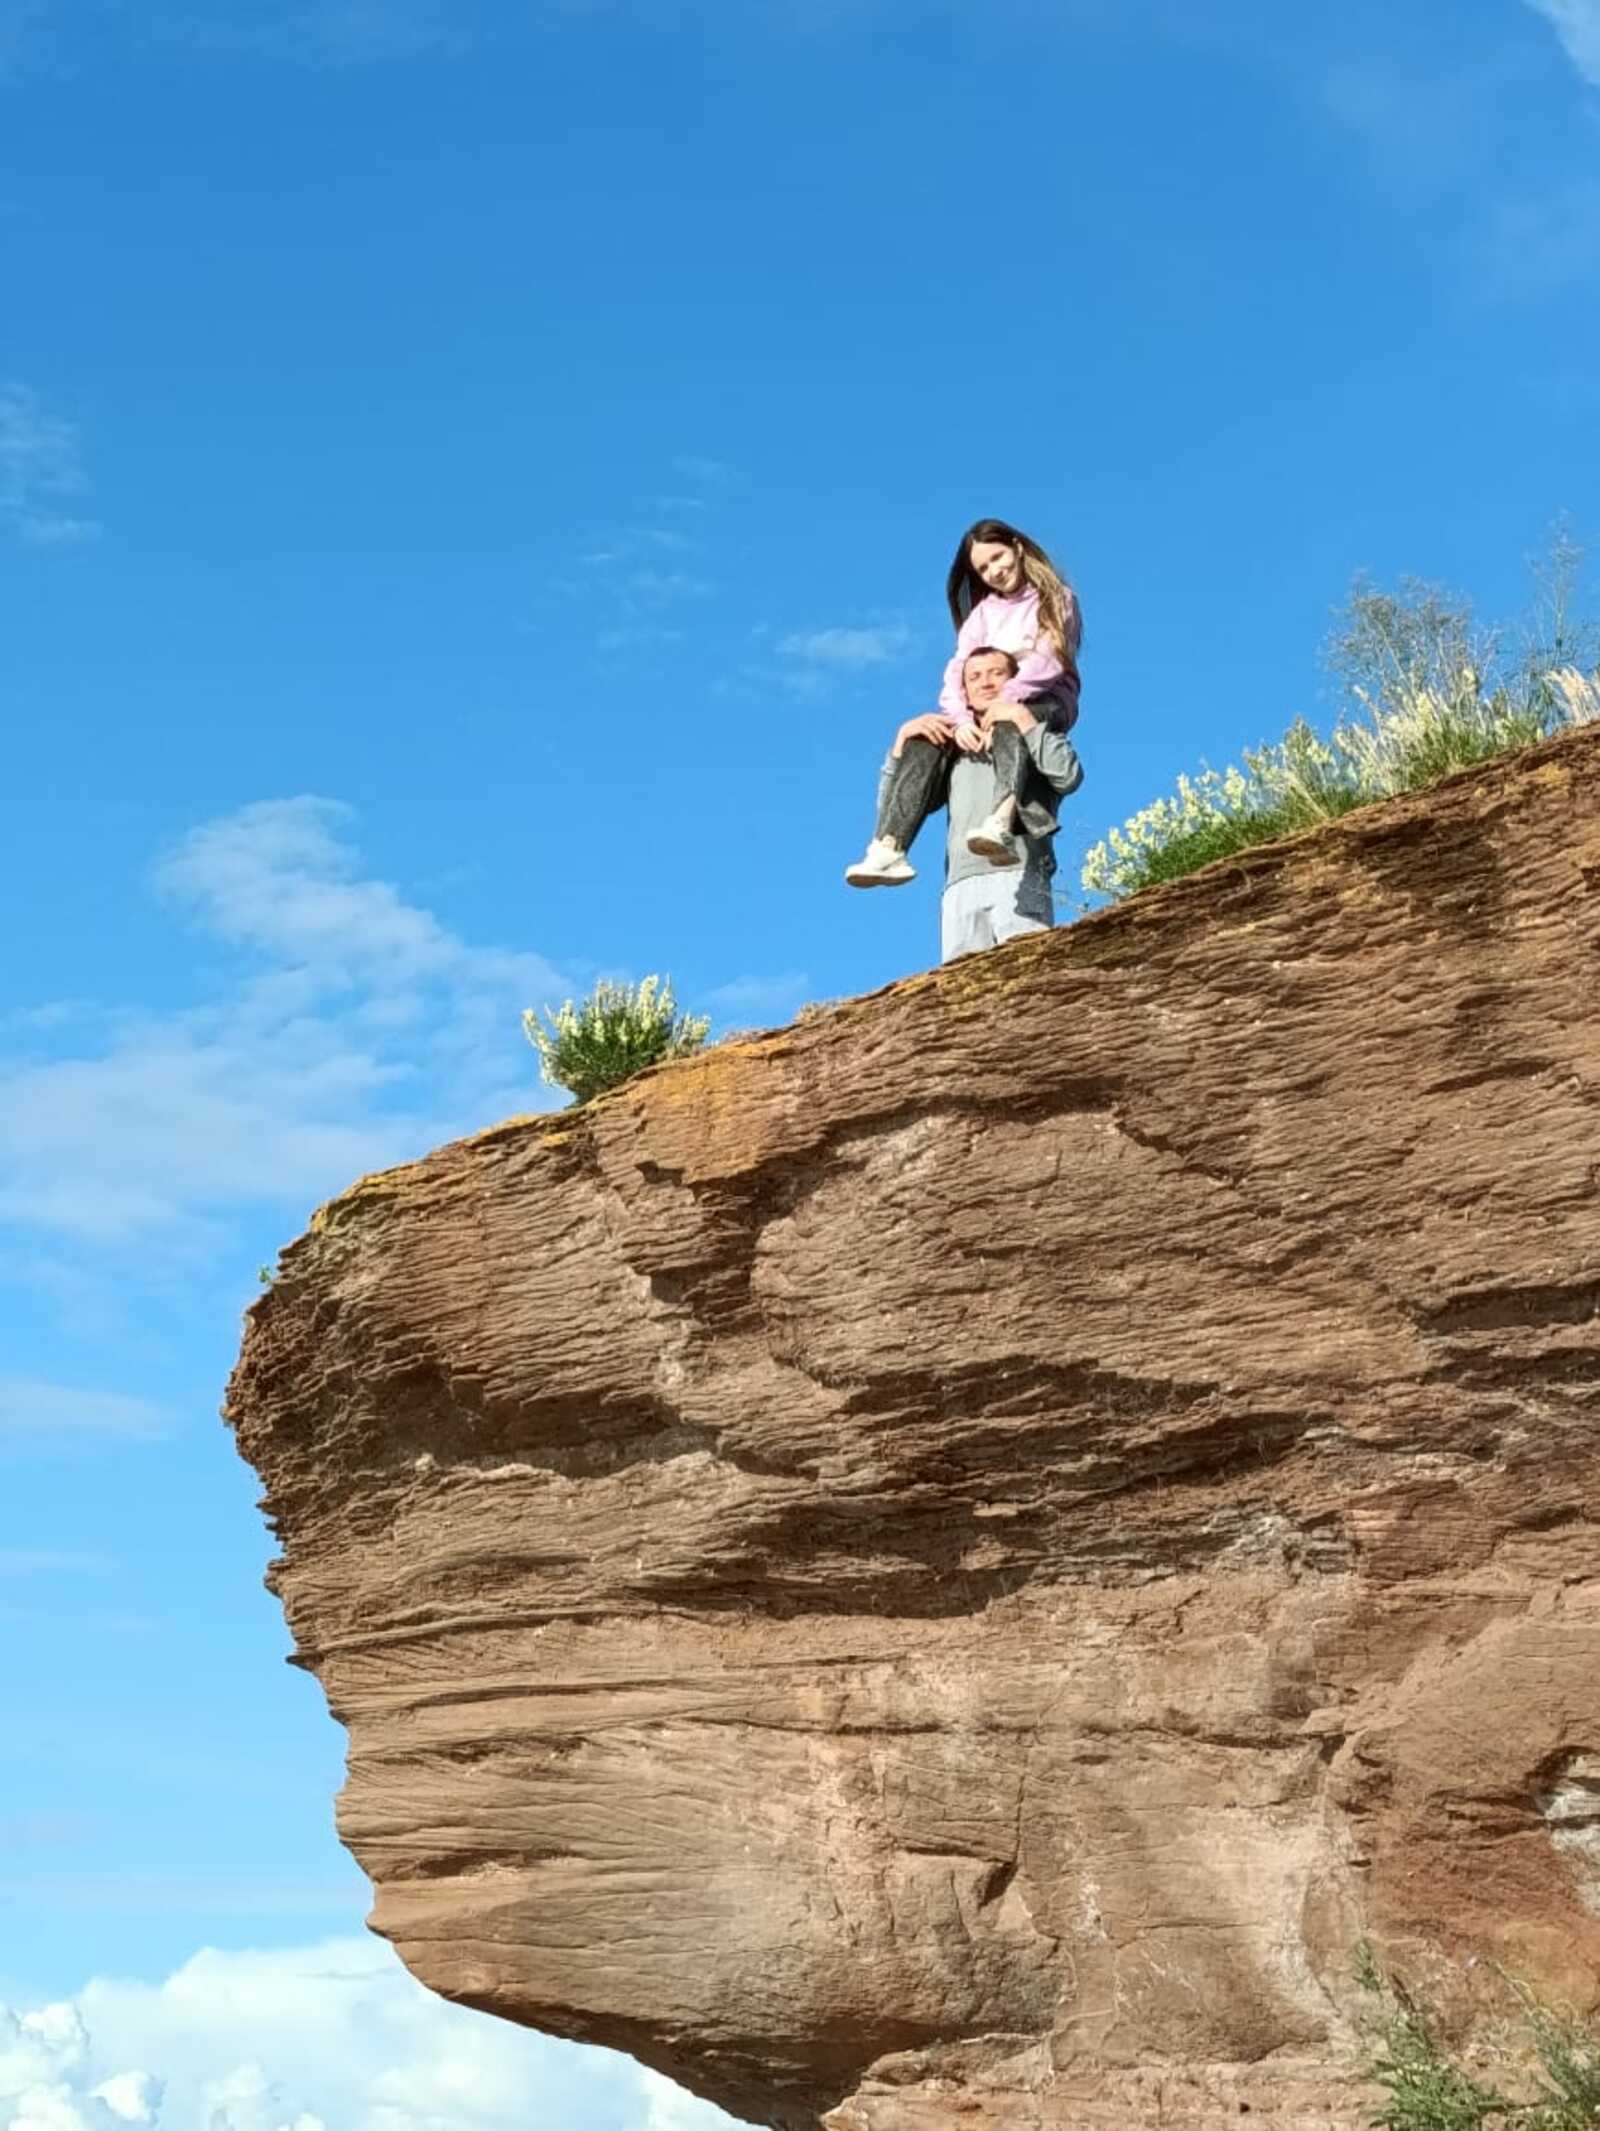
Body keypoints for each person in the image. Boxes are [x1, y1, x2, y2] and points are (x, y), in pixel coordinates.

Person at [846, 518, 1082, 883]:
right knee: (928, 735)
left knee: (1008, 719)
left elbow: (1048, 661)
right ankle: (889, 846)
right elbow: (958, 670)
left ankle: (1001, 819)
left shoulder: (1055, 598)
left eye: (997, 558)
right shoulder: (983, 614)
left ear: (1017, 548)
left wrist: (1006, 701)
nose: (994, 571)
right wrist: (959, 721)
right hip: (984, 710)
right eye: (983, 569)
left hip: (1044, 698)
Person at [852, 646, 1083, 961]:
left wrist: (1024, 720)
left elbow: (1068, 776)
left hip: (1020, 871)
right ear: (964, 693)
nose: (986, 682)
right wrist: (901, 742)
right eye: (975, 677)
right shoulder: (953, 749)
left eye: (997, 673)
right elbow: (893, 808)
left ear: (1016, 682)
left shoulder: (1034, 728)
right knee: (964, 982)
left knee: (1028, 970)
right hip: (960, 882)